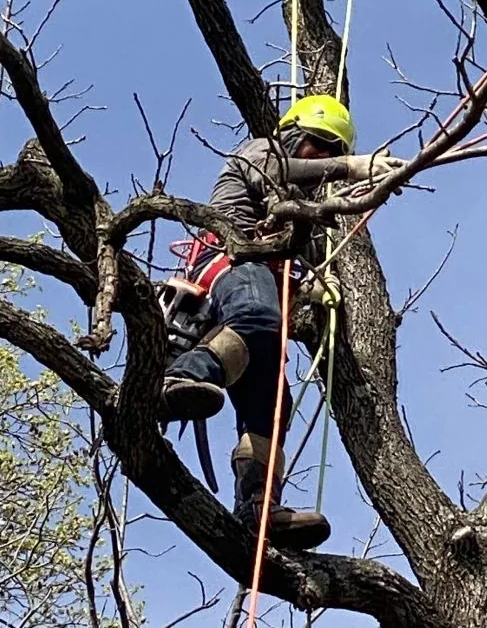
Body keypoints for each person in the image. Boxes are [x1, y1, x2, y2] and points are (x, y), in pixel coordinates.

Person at [156, 95, 407, 550]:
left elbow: (307, 263)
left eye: (334, 151)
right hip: (231, 263)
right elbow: (278, 172)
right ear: (294, 133)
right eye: (320, 144)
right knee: (256, 314)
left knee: (273, 403)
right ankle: (181, 378)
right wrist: (353, 166)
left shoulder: (302, 215)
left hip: (260, 307)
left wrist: (319, 285)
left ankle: (257, 509)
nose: (325, 157)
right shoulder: (261, 151)